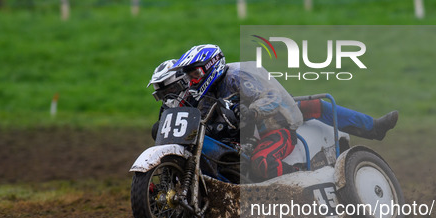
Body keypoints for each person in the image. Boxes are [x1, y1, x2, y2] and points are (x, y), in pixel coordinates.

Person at [166, 43, 399, 181]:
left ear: (209, 67)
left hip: (270, 126)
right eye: (189, 76)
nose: (192, 80)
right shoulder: (203, 96)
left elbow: (272, 96)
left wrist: (254, 112)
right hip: (240, 139)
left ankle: (371, 130)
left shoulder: (235, 78)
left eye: (194, 74)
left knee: (315, 105)